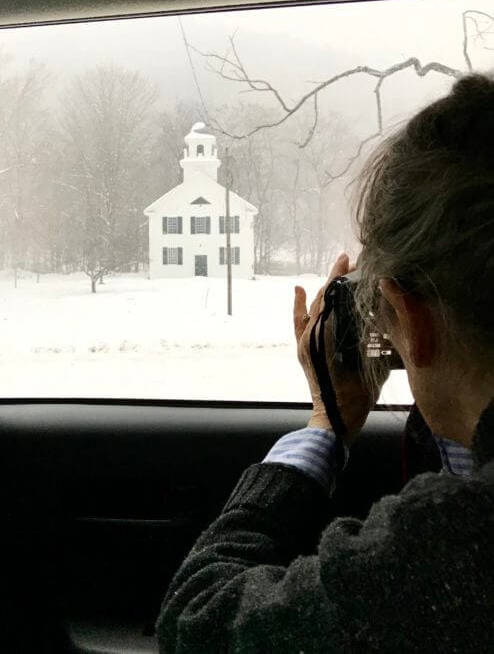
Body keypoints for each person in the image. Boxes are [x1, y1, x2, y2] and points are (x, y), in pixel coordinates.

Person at [156, 74, 494, 652]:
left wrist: (326, 422)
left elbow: (199, 622)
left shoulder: (458, 544)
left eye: (382, 314)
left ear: (410, 320)